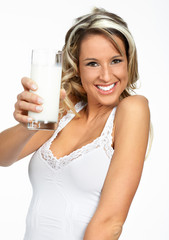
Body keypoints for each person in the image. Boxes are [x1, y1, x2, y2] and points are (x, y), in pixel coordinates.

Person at [0, 7, 151, 240]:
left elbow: (111, 222)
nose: (106, 76)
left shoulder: (133, 110)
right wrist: (26, 123)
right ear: (77, 67)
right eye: (92, 63)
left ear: (129, 62)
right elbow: (3, 156)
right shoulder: (65, 109)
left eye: (115, 60)